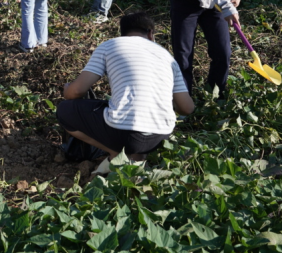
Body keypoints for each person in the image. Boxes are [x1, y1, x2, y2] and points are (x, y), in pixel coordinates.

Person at [57, 12, 194, 174]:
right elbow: (187, 108)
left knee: (64, 110)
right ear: (151, 33)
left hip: (124, 135)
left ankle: (116, 154)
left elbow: (76, 91)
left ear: (123, 33)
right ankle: (136, 159)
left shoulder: (110, 46)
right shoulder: (167, 56)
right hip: (159, 136)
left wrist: (67, 90)